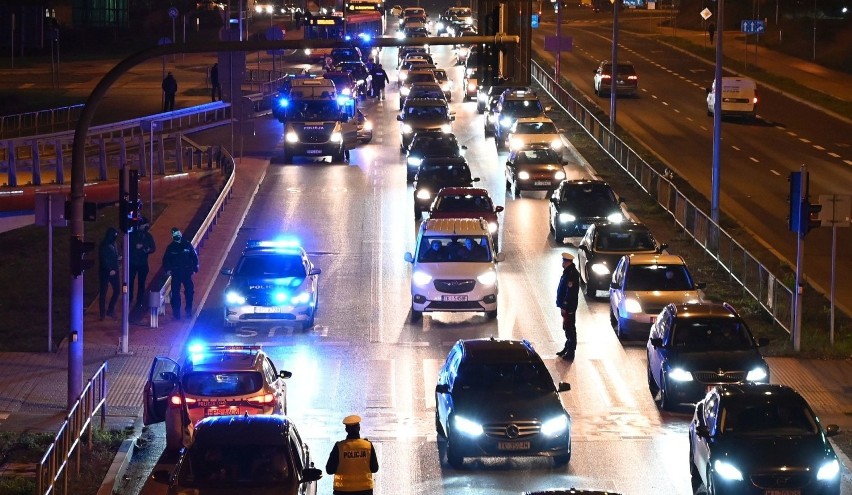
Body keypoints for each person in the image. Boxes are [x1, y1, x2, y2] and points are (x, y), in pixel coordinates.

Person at [326, 415, 379, 495]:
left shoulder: (339, 447)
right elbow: (374, 468)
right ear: (359, 428)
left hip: (342, 491)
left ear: (346, 429)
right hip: (365, 491)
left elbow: (329, 470)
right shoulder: (367, 446)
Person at [162, 227, 199, 320]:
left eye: (178, 234)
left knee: (189, 292)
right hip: (176, 273)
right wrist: (167, 270)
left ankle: (188, 311)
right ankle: (176, 314)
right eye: (175, 235)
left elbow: (194, 257)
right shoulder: (170, 248)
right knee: (175, 294)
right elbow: (165, 260)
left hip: (187, 272)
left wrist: (195, 268)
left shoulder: (187, 245)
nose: (177, 236)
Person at [555, 252, 580, 360]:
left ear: (566, 262)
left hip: (569, 307)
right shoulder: (568, 272)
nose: (562, 262)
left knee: (570, 328)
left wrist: (564, 306)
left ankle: (571, 352)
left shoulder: (571, 274)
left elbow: (570, 293)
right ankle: (567, 348)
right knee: (567, 327)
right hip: (567, 306)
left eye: (563, 261)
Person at [128, 218, 156, 308]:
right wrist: (134, 247)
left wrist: (146, 248)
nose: (147, 227)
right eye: (145, 225)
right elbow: (124, 246)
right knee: (130, 282)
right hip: (133, 263)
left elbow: (153, 248)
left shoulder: (148, 236)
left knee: (141, 283)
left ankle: (139, 301)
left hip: (143, 263)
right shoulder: (132, 235)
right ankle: (129, 299)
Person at [98, 227, 121, 321]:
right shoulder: (104, 245)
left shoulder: (114, 244)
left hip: (114, 271)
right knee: (103, 293)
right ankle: (102, 314)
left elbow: (114, 255)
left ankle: (110, 310)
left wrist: (118, 258)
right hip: (105, 272)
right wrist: (109, 269)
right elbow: (103, 259)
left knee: (117, 290)